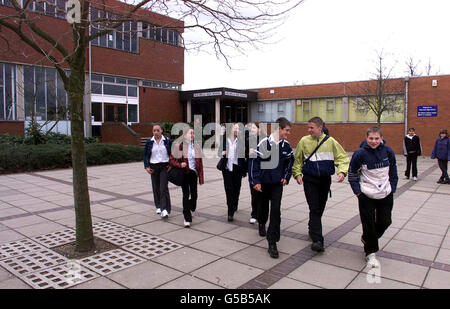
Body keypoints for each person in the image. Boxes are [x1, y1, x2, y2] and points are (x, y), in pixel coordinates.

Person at [292, 116, 349, 253]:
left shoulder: (331, 142)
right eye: (308, 127)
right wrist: (298, 174)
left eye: (311, 127)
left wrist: (342, 172)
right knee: (315, 207)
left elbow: (342, 157)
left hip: (324, 180)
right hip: (310, 180)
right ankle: (318, 240)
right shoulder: (304, 141)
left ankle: (313, 228)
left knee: (319, 208)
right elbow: (298, 160)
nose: (309, 130)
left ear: (320, 127)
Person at [348, 127, 398, 268]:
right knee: (368, 224)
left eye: (377, 138)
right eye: (371, 138)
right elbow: (352, 175)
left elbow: (393, 172)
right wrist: (358, 193)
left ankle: (367, 239)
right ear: (366, 138)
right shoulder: (360, 154)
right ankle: (370, 253)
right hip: (366, 195)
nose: (374, 141)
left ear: (381, 138)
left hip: (385, 194)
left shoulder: (388, 152)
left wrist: (392, 188)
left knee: (385, 221)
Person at [249, 117, 294, 258]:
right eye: (286, 130)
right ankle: (262, 223)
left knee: (275, 211)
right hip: (263, 184)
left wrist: (286, 177)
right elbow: (254, 163)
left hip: (276, 185)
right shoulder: (263, 143)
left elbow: (289, 163)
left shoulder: (286, 146)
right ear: (279, 129)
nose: (288, 133)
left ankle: (272, 242)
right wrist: (255, 181)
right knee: (263, 209)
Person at [169, 127, 204, 227]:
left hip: (193, 173)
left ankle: (191, 207)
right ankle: (187, 218)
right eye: (190, 133)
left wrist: (200, 176)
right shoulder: (179, 145)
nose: (192, 135)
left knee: (194, 195)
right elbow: (171, 160)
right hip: (184, 173)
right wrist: (180, 165)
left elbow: (200, 162)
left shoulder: (196, 146)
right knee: (186, 194)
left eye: (193, 133)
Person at [219, 123, 247, 222]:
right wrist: (222, 153)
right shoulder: (224, 140)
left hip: (237, 168)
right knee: (229, 190)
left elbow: (244, 156)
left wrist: (244, 170)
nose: (236, 130)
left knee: (236, 188)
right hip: (227, 168)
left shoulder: (241, 140)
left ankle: (235, 203)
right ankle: (230, 211)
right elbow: (219, 151)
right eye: (235, 128)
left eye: (238, 129)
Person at [143, 123, 172, 218]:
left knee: (163, 188)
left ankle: (165, 209)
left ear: (161, 131)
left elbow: (172, 154)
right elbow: (145, 155)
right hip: (153, 167)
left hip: (164, 166)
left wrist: (171, 164)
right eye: (154, 130)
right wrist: (146, 166)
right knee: (155, 187)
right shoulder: (149, 142)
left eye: (157, 130)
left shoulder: (167, 141)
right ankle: (158, 206)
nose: (156, 132)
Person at [246, 123, 263, 226]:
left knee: (262, 194)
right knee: (254, 194)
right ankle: (254, 214)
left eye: (253, 128)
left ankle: (261, 214)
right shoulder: (247, 140)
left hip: (262, 171)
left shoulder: (264, 141)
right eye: (250, 128)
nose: (251, 130)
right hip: (252, 171)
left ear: (259, 129)